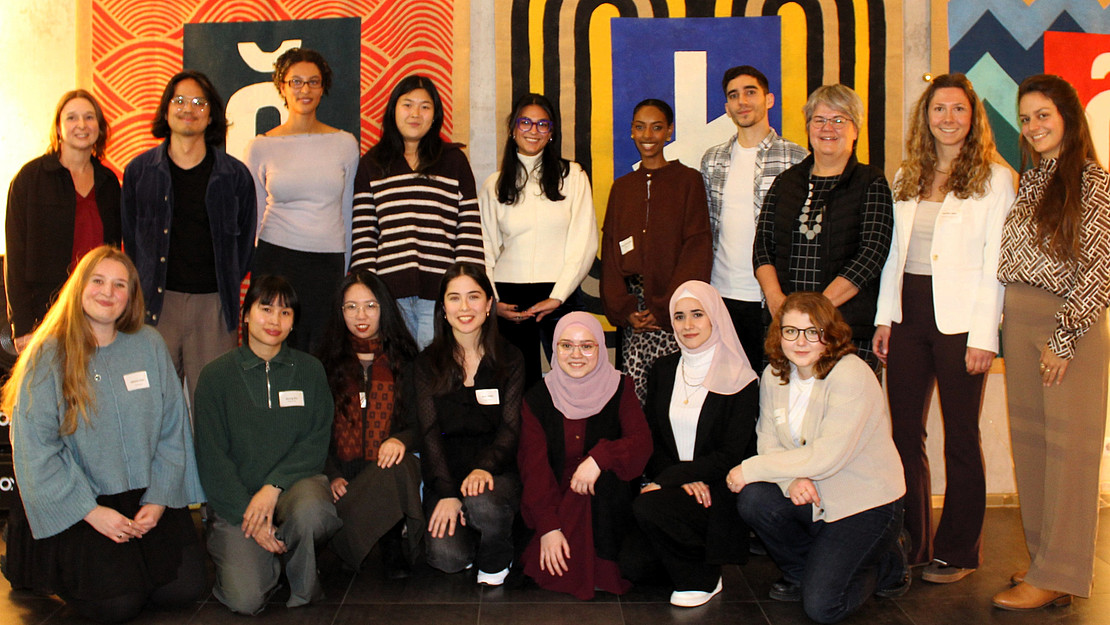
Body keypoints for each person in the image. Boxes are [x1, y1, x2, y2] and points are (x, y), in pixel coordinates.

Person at [1, 246, 205, 623]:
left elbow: (173, 430)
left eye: (119, 285)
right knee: (117, 605)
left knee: (182, 589)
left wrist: (160, 499)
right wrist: (91, 512)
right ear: (79, 287)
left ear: (131, 297)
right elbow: (36, 450)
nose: (107, 292)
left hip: (145, 497)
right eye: (98, 281)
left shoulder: (149, 345)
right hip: (82, 503)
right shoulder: (47, 355)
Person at [871, 73, 1014, 582]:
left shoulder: (996, 179)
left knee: (960, 437)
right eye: (938, 109)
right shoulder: (907, 174)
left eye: (958, 109)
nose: (948, 118)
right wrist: (885, 317)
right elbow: (893, 256)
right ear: (925, 116)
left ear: (973, 117)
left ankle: (958, 550)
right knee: (904, 434)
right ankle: (911, 545)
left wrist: (984, 337)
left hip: (961, 324)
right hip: (908, 314)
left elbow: (997, 262)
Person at [991, 74, 1110, 611]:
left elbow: (1099, 269)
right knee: (1033, 446)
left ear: (1067, 116)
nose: (1034, 126)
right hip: (1020, 321)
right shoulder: (1035, 179)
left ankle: (1061, 569)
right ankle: (1046, 563)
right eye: (1026, 117)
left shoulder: (1092, 181)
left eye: (1044, 114)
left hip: (1067, 327)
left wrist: (1063, 338)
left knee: (1069, 453)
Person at [728, 292, 908, 624]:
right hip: (813, 493)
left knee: (823, 608)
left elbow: (827, 455)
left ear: (830, 333)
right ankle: (802, 572)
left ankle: (884, 564)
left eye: (813, 332)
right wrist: (790, 479)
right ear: (778, 333)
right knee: (755, 500)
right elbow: (768, 440)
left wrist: (750, 468)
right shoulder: (774, 375)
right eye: (791, 331)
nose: (800, 341)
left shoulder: (851, 373)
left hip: (864, 502)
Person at [193, 275, 341, 614]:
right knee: (246, 601)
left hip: (293, 490)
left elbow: (317, 440)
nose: (275, 320)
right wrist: (253, 518)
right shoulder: (216, 376)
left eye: (285, 313)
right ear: (245, 315)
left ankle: (300, 577)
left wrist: (273, 486)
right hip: (238, 503)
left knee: (313, 511)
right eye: (265, 308)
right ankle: (266, 558)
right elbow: (212, 458)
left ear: (293, 323)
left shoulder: (311, 370)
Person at [122, 70, 256, 411]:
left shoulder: (234, 175)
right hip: (155, 306)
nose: (188, 109)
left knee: (213, 408)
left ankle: (209, 468)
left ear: (211, 115)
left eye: (199, 102)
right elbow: (130, 240)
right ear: (166, 111)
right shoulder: (139, 172)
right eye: (179, 101)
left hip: (213, 307)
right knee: (151, 404)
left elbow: (242, 248)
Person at [633, 280, 759, 608]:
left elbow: (732, 453)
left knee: (647, 507)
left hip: (718, 488)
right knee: (631, 567)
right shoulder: (662, 369)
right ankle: (686, 556)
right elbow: (653, 437)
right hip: (677, 483)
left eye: (697, 314)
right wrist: (678, 476)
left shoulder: (740, 377)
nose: (688, 325)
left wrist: (672, 478)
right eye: (679, 316)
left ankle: (704, 577)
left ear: (715, 317)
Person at [753, 85, 894, 374]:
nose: (828, 128)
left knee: (845, 415)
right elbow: (762, 247)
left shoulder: (871, 182)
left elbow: (872, 253)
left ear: (856, 130)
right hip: (786, 330)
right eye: (819, 120)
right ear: (808, 127)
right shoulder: (786, 183)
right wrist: (778, 303)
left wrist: (816, 311)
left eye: (840, 119)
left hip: (845, 328)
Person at [517, 312, 651, 600]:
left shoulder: (621, 387)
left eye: (586, 346)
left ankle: (604, 563)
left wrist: (600, 457)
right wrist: (548, 528)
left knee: (638, 565)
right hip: (554, 502)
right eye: (566, 346)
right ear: (554, 349)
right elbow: (534, 470)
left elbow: (642, 444)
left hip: (609, 508)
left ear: (601, 349)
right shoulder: (537, 398)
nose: (576, 354)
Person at [351, 75, 484, 348]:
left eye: (425, 107)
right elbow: (364, 234)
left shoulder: (453, 161)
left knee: (435, 374)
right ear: (393, 110)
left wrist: (465, 292)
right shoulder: (372, 164)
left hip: (439, 295)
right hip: (388, 295)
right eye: (407, 104)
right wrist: (365, 291)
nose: (415, 113)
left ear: (435, 115)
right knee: (396, 376)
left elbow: (468, 230)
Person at [413, 262, 524, 586]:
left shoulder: (511, 358)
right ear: (443, 309)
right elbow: (429, 434)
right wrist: (447, 492)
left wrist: (484, 468)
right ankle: (480, 527)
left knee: (483, 504)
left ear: (489, 304)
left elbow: (510, 428)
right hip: (445, 472)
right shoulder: (426, 363)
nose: (465, 307)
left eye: (474, 297)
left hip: (495, 472)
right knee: (448, 558)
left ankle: (495, 539)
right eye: (454, 298)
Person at [479, 93, 597, 390]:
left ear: (552, 132)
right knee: (518, 387)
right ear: (512, 129)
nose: (534, 130)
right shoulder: (494, 184)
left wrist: (558, 296)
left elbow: (584, 242)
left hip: (560, 293)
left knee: (574, 381)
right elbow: (484, 248)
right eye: (526, 122)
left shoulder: (573, 176)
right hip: (509, 300)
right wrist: (494, 302)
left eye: (543, 124)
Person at [245, 47, 359, 353]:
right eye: (296, 82)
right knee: (271, 348)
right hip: (275, 258)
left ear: (323, 88)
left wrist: (344, 266)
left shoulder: (345, 144)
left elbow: (347, 210)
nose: (304, 89)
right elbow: (252, 216)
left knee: (322, 353)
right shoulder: (260, 147)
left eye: (313, 82)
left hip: (327, 263)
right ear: (282, 86)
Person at [601, 99, 713, 402]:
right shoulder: (622, 188)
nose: (647, 135)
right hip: (634, 311)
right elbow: (610, 253)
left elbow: (697, 247)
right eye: (640, 127)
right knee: (634, 399)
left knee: (674, 394)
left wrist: (667, 306)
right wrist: (625, 310)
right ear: (632, 133)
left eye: (656, 127)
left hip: (676, 306)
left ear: (669, 132)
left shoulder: (688, 181)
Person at [318, 270, 423, 578]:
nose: (360, 315)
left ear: (384, 309)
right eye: (351, 307)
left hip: (385, 470)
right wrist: (331, 475)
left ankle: (388, 542)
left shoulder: (406, 361)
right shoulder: (323, 363)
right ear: (340, 312)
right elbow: (313, 433)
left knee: (401, 467)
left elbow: (423, 426)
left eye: (370, 305)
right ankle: (346, 536)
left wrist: (401, 440)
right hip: (342, 477)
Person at [701, 66, 807, 366]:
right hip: (721, 295)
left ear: (769, 99)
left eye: (750, 92)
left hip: (774, 300)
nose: (742, 101)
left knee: (776, 386)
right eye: (734, 96)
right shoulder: (712, 160)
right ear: (726, 107)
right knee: (731, 392)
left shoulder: (796, 159)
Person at [5, 90, 121, 351]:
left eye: (89, 117)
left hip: (97, 312)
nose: (81, 125)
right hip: (45, 316)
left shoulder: (109, 183)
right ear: (58, 128)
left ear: (100, 128)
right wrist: (22, 326)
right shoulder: (29, 180)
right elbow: (15, 257)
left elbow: (114, 252)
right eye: (72, 118)